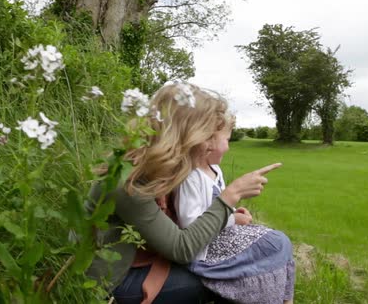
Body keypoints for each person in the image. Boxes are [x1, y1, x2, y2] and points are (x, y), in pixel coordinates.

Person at [85, 83, 284, 303]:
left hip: (147, 261)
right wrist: (230, 196)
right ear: (184, 133)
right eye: (207, 135)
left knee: (241, 265)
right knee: (232, 277)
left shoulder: (162, 166)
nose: (211, 145)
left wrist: (230, 216)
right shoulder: (127, 180)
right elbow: (182, 249)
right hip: (113, 282)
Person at [173, 96, 295, 304]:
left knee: (280, 240)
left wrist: (234, 212)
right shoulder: (190, 177)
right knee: (273, 244)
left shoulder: (215, 170)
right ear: (207, 140)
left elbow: (220, 206)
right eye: (227, 140)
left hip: (221, 237)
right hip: (206, 252)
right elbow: (189, 225)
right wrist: (232, 220)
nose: (229, 147)